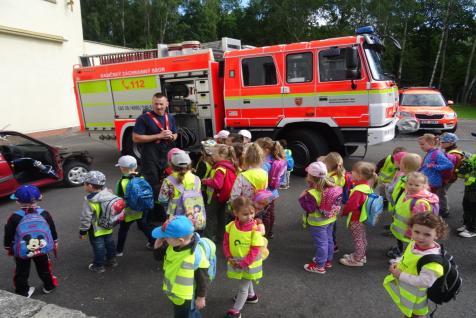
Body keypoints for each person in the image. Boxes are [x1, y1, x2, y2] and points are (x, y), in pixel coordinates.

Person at [383, 213, 448, 318]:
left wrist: (400, 275)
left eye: (427, 234)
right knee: (408, 314)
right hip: (409, 294)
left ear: (437, 234)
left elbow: (425, 282)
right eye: (416, 232)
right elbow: (407, 257)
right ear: (411, 229)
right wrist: (398, 262)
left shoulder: (432, 261)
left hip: (417, 299)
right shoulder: (414, 243)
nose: (420, 237)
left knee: (416, 315)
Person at [4, 185, 58, 297]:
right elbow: (51, 229)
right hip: (42, 248)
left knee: (21, 271)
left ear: (17, 201)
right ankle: (49, 286)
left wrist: (8, 247)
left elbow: (9, 234)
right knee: (44, 268)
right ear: (40, 197)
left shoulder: (14, 217)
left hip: (22, 250)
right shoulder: (44, 213)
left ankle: (22, 291)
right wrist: (55, 242)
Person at [152, 216, 210, 318]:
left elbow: (203, 279)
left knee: (186, 314)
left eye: (166, 237)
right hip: (175, 292)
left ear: (180, 240)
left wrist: (201, 297)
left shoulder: (195, 257)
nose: (164, 238)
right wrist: (159, 240)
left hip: (186, 297)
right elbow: (158, 257)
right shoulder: (174, 245)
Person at [133, 93, 178, 222]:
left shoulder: (170, 117)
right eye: (156, 104)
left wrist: (171, 136)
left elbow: (176, 134)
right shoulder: (143, 119)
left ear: (167, 104)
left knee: (169, 183)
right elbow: (136, 137)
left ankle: (168, 212)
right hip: (150, 157)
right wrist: (158, 136)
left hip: (166, 155)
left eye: (161, 104)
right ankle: (154, 216)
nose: (158, 107)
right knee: (153, 185)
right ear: (152, 104)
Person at [224, 197, 266, 318]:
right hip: (237, 261)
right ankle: (251, 296)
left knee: (243, 287)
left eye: (252, 213)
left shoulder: (255, 230)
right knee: (246, 280)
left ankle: (236, 311)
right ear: (235, 213)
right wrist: (228, 256)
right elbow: (226, 243)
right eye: (245, 214)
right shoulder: (230, 226)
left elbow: (255, 250)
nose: (250, 217)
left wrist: (243, 263)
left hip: (249, 264)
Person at [300, 162, 342, 274]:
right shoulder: (331, 186)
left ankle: (319, 266)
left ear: (310, 177)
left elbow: (310, 209)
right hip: (331, 219)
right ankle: (327, 260)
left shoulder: (312, 193)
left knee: (321, 243)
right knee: (329, 240)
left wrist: (302, 197)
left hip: (318, 223)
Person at [389, 172, 439, 263]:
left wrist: (412, 232)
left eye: (417, 185)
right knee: (401, 241)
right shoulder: (407, 193)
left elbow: (420, 222)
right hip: (401, 229)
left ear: (424, 186)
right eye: (410, 184)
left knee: (410, 247)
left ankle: (402, 260)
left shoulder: (420, 202)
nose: (412, 187)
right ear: (406, 184)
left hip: (409, 232)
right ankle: (399, 251)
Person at [114, 155, 155, 256]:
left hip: (129, 211)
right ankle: (153, 243)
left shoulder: (121, 182)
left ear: (122, 168)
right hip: (142, 209)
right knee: (143, 226)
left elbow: (119, 198)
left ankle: (119, 251)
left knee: (123, 230)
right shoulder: (141, 177)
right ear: (135, 167)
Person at [340, 161, 378, 267]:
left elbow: (351, 205)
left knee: (358, 239)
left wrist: (343, 212)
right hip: (363, 217)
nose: (351, 172)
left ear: (360, 175)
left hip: (356, 218)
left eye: (353, 171)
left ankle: (357, 259)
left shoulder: (358, 190)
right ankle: (361, 255)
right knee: (361, 237)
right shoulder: (366, 186)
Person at [79, 171, 118, 273]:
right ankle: (112, 260)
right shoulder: (109, 194)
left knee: (99, 246)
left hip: (96, 229)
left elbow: (86, 218)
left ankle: (98, 265)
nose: (84, 186)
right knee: (110, 243)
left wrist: (83, 231)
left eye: (84, 184)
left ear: (90, 186)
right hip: (109, 225)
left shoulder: (90, 201)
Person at [202, 144, 237, 242]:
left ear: (221, 155)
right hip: (224, 196)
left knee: (210, 216)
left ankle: (207, 238)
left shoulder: (220, 168)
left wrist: (206, 181)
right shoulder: (230, 166)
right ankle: (220, 236)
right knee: (222, 217)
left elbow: (217, 184)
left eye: (213, 154)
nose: (211, 156)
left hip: (215, 197)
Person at [255, 138, 287, 239]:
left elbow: (261, 179)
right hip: (274, 192)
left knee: (264, 215)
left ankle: (264, 234)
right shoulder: (277, 159)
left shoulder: (265, 164)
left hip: (264, 193)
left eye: (258, 149)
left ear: (266, 149)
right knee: (270, 213)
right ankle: (270, 232)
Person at [418, 134, 453, 218]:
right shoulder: (430, 152)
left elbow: (449, 165)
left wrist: (434, 166)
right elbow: (426, 165)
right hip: (428, 181)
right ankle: (428, 214)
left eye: (422, 144)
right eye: (420, 144)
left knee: (429, 200)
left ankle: (430, 216)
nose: (420, 146)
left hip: (432, 182)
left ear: (431, 143)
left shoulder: (436, 153)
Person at [158, 151, 200, 219]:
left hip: (173, 215)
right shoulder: (197, 179)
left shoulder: (168, 181)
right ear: (189, 164)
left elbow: (162, 200)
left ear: (171, 165)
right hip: (191, 214)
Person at [320, 152, 346, 252]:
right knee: (333, 223)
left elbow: (322, 187)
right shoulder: (341, 175)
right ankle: (333, 244)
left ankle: (331, 246)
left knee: (328, 226)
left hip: (328, 205)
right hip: (336, 204)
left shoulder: (330, 178)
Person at [439, 132, 465, 218]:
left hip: (449, 178)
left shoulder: (453, 154)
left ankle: (444, 210)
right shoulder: (450, 151)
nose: (441, 143)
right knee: (441, 192)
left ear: (450, 143)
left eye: (443, 142)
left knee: (442, 192)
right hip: (450, 177)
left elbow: (448, 169)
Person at [456, 148, 476, 238]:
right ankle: (467, 224)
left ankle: (473, 229)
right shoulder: (474, 157)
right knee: (466, 205)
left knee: (474, 208)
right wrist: (464, 166)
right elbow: (462, 174)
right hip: (469, 186)